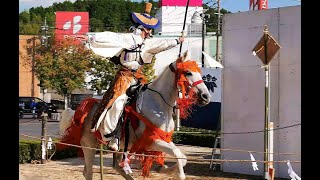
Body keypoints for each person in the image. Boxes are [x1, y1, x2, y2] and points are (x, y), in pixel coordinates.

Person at [87, 2, 185, 151]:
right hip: (124, 77)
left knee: (149, 97)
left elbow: (162, 44)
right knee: (118, 102)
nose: (151, 33)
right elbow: (111, 38)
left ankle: (142, 132)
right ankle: (111, 136)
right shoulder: (128, 39)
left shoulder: (146, 43)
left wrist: (177, 40)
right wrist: (92, 37)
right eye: (150, 30)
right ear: (144, 29)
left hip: (138, 76)